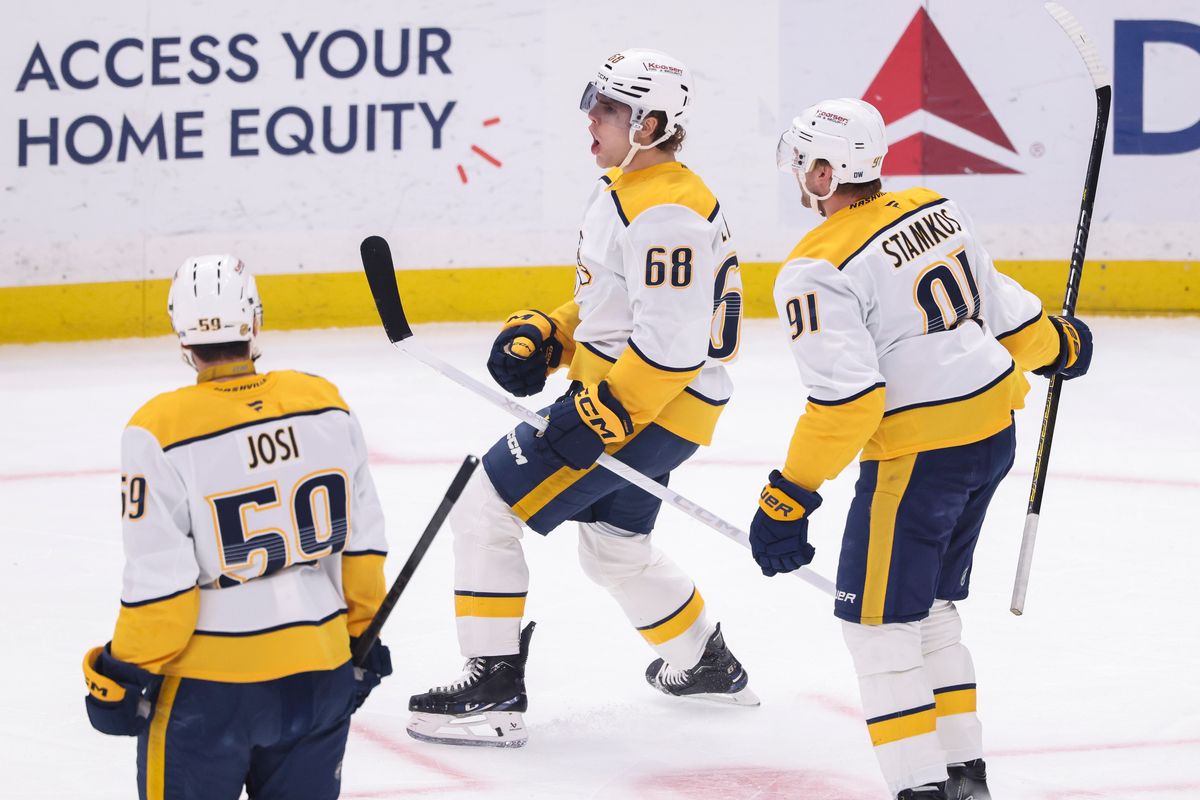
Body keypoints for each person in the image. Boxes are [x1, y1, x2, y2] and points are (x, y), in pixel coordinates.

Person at [406, 48, 754, 749]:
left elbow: (671, 345)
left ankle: (493, 688)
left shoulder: (665, 211)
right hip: (658, 408)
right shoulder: (637, 188)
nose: (591, 117)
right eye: (593, 101)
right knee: (615, 547)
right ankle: (703, 662)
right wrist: (552, 333)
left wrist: (601, 414)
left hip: (647, 409)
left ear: (650, 125)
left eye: (609, 109)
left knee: (485, 503)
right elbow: (617, 305)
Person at [751, 99, 1093, 799]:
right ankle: (964, 778)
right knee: (929, 609)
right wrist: (1057, 344)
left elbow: (848, 402)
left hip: (921, 461)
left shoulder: (816, 266)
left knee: (877, 628)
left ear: (825, 173)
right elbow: (1002, 312)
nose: (798, 175)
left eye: (804, 163)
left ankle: (923, 789)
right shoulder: (934, 208)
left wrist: (789, 494)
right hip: (990, 436)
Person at [81, 255, 393, 800]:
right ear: (255, 320)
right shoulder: (323, 403)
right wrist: (362, 636)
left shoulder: (158, 428)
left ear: (181, 334)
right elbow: (361, 548)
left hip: (210, 693)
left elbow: (162, 586)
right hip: (321, 673)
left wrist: (123, 672)